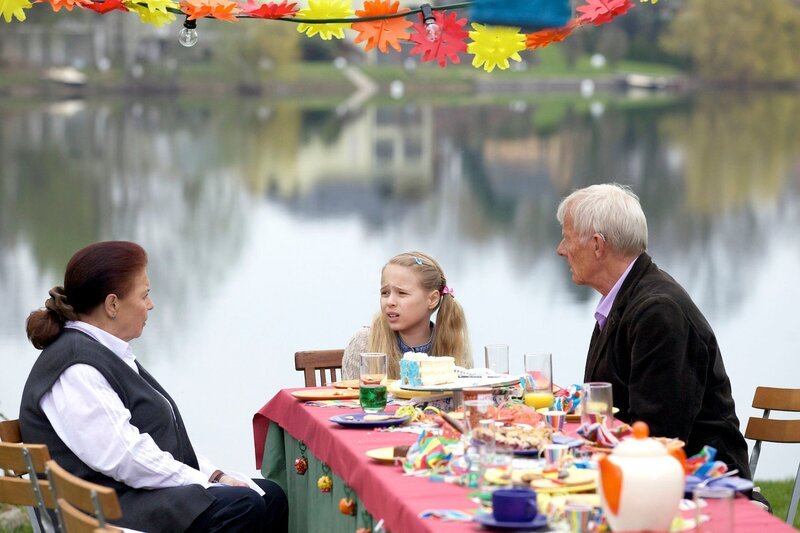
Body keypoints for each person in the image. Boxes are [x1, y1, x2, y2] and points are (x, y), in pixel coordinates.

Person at [19, 241, 288, 533]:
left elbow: (157, 441)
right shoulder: (76, 368)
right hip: (103, 515)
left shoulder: (102, 352)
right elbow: (126, 458)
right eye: (145, 295)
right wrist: (204, 482)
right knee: (242, 506)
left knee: (270, 496)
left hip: (131, 497)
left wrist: (216, 475)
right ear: (112, 305)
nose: (151, 304)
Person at [555, 184, 753, 478]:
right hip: (644, 475)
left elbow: (656, 437)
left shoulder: (658, 312)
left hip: (702, 488)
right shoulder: (625, 299)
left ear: (597, 245)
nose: (561, 250)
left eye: (567, 239)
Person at [342, 251, 472, 380]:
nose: (390, 302)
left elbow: (467, 397)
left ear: (432, 299)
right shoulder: (364, 342)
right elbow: (350, 397)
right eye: (385, 293)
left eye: (402, 293)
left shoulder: (454, 341)